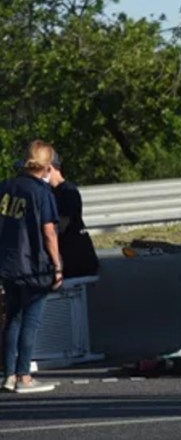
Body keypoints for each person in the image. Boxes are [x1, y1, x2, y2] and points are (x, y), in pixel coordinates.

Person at [1, 141, 63, 394]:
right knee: (31, 320)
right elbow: (49, 231)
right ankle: (24, 375)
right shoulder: (42, 193)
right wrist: (57, 265)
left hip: (7, 262)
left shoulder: (5, 186)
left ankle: (8, 374)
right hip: (33, 265)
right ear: (47, 166)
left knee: (12, 319)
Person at [46, 152, 99, 278]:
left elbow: (60, 227)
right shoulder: (48, 192)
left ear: (50, 168)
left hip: (76, 258)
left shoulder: (68, 192)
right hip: (65, 257)